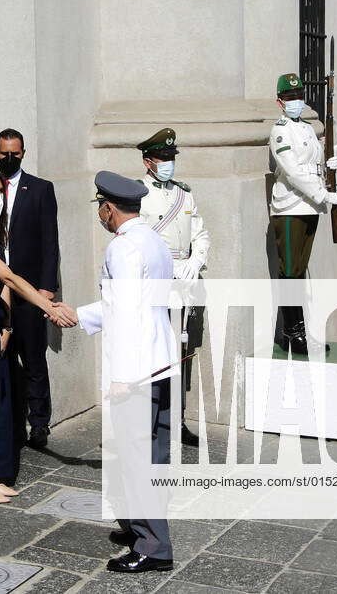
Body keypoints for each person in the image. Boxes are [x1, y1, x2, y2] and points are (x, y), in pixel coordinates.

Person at [0, 166, 77, 504]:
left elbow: (3, 288)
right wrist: (48, 307)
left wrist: (6, 326)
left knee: (2, 399)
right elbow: (7, 278)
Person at [74, 171, 176, 574]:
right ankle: (141, 526)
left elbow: (129, 313)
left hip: (136, 369)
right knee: (155, 455)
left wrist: (122, 376)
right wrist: (78, 315)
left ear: (107, 207)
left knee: (137, 459)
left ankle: (153, 546)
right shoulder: (153, 240)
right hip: (161, 359)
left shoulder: (122, 249)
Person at [136, 127, 208, 447]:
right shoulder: (137, 195)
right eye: (162, 157)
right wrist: (172, 266)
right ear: (148, 161)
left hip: (185, 287)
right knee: (153, 356)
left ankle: (175, 422)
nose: (168, 163)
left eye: (171, 157)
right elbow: (139, 241)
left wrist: (196, 260)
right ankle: (147, 422)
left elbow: (201, 233)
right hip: (157, 284)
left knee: (181, 356)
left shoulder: (185, 194)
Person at [268, 73, 337, 353]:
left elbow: (313, 165)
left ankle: (299, 331)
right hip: (290, 206)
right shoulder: (280, 131)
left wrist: (330, 163)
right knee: (290, 270)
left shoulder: (307, 130)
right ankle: (293, 333)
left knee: (299, 271)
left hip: (310, 205)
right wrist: (323, 195)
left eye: (299, 96)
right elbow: (292, 172)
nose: (296, 102)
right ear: (280, 101)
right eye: (290, 98)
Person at [0, 128, 60, 449]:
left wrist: (48, 288)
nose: (8, 159)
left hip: (30, 290)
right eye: (3, 154)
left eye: (14, 154)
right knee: (1, 357)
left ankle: (39, 424)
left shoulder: (40, 189)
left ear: (23, 153)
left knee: (34, 358)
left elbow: (51, 242)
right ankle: (10, 422)